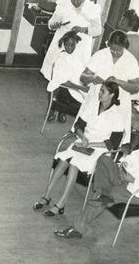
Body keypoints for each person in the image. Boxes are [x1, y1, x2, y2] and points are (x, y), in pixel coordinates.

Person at [54, 120, 139, 240]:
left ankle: (77, 228)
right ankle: (103, 192)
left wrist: (133, 180)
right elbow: (133, 156)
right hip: (125, 176)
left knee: (100, 197)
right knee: (104, 159)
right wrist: (125, 163)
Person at [35, 80, 124, 217]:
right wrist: (83, 138)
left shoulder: (117, 115)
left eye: (103, 92)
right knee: (63, 159)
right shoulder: (93, 105)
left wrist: (91, 144)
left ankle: (60, 204)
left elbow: (113, 144)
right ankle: (46, 196)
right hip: (83, 143)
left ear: (112, 95)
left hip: (100, 151)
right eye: (100, 90)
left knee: (74, 164)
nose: (99, 94)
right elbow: (78, 126)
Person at [80, 29, 139, 144]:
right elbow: (83, 77)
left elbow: (136, 87)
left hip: (118, 107)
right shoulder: (100, 55)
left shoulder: (130, 60)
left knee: (113, 142)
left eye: (118, 50)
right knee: (88, 135)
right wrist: (92, 78)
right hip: (96, 102)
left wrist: (119, 82)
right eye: (112, 49)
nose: (114, 52)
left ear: (125, 46)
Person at [40, 0, 102, 83]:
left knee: (76, 74)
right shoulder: (63, 4)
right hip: (63, 40)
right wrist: (54, 24)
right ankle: (56, 92)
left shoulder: (92, 8)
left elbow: (98, 30)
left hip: (81, 43)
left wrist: (83, 29)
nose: (75, 2)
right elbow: (52, 22)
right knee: (58, 71)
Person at [45, 31, 90, 124]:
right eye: (67, 44)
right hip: (67, 89)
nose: (69, 48)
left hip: (75, 87)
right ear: (63, 44)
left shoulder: (76, 57)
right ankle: (58, 109)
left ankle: (62, 111)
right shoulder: (61, 59)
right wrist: (81, 87)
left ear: (76, 44)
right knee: (89, 105)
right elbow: (62, 81)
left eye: (72, 45)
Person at [116, 10, 139, 80]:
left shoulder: (122, 38)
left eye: (122, 23)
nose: (118, 23)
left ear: (130, 28)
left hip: (123, 79)